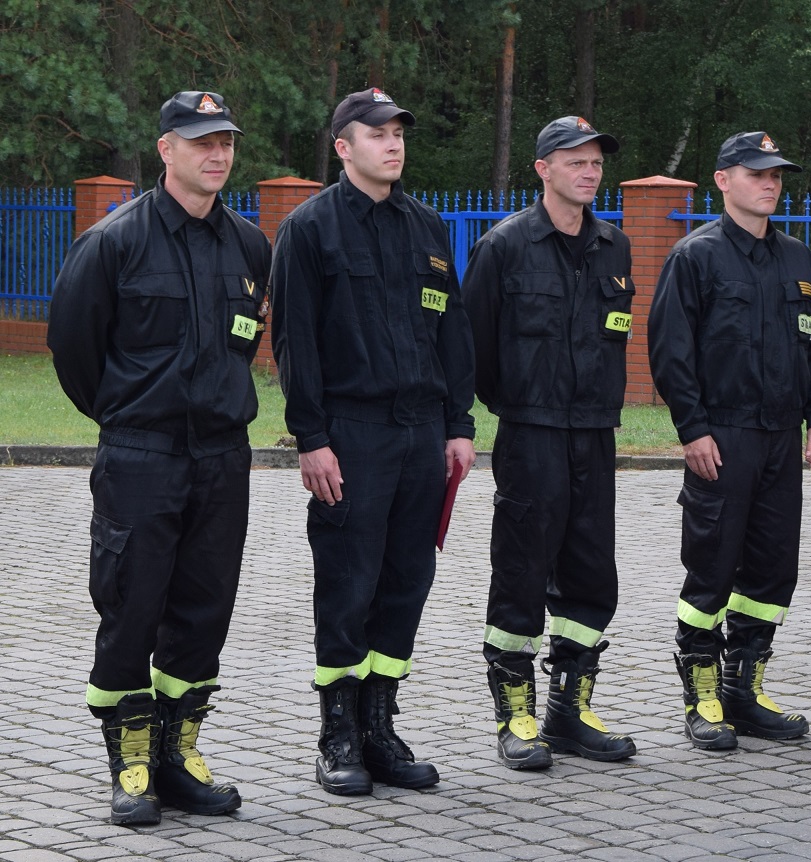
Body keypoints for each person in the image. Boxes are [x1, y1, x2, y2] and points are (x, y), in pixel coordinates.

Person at [46, 91, 269, 825]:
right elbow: (75, 350)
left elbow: (243, 343)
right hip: (142, 456)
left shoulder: (248, 245)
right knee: (132, 606)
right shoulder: (114, 241)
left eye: (226, 141)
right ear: (166, 149)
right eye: (202, 141)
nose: (218, 153)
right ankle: (131, 763)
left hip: (222, 457)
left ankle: (178, 754)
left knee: (204, 610)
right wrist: (128, 416)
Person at [270, 87, 477, 794]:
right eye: (377, 133)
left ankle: (380, 728)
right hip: (351, 433)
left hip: (422, 433)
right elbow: (294, 339)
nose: (393, 144)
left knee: (405, 582)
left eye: (399, 133)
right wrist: (311, 437)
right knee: (348, 583)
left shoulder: (427, 227)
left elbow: (452, 331)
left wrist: (458, 425)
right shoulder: (310, 229)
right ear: (343, 147)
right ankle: (337, 735)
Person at [648, 131, 811, 750]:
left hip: (781, 438)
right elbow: (671, 352)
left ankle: (744, 690)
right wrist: (693, 429)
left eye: (776, 175)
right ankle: (702, 696)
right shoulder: (696, 257)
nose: (770, 184)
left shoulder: (798, 259)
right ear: (723, 180)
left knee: (772, 569)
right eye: (758, 174)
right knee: (712, 567)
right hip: (723, 436)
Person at [463, 116, 636, 770]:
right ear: (542, 169)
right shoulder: (505, 246)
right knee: (521, 569)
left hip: (594, 433)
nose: (589, 173)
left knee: (591, 573)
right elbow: (473, 347)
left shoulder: (614, 246)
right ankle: (516, 716)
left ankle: (570, 709)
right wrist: (515, 402)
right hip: (530, 434)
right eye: (575, 162)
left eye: (596, 163)